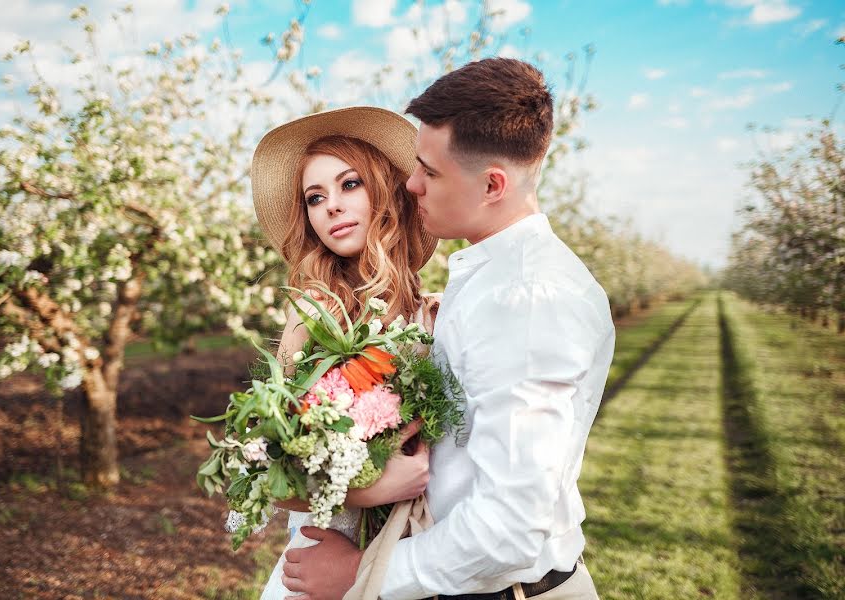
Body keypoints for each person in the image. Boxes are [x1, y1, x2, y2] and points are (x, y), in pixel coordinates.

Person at [283, 58, 615, 600]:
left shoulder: (527, 300)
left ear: (492, 185)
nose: (410, 185)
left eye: (430, 172)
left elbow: (508, 528)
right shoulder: (475, 287)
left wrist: (364, 574)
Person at [245, 106, 443, 600]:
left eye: (349, 184)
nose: (331, 206)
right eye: (315, 197)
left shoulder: (434, 316)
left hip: (410, 560)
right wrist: (373, 490)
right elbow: (266, 466)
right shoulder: (314, 313)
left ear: (386, 190)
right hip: (323, 558)